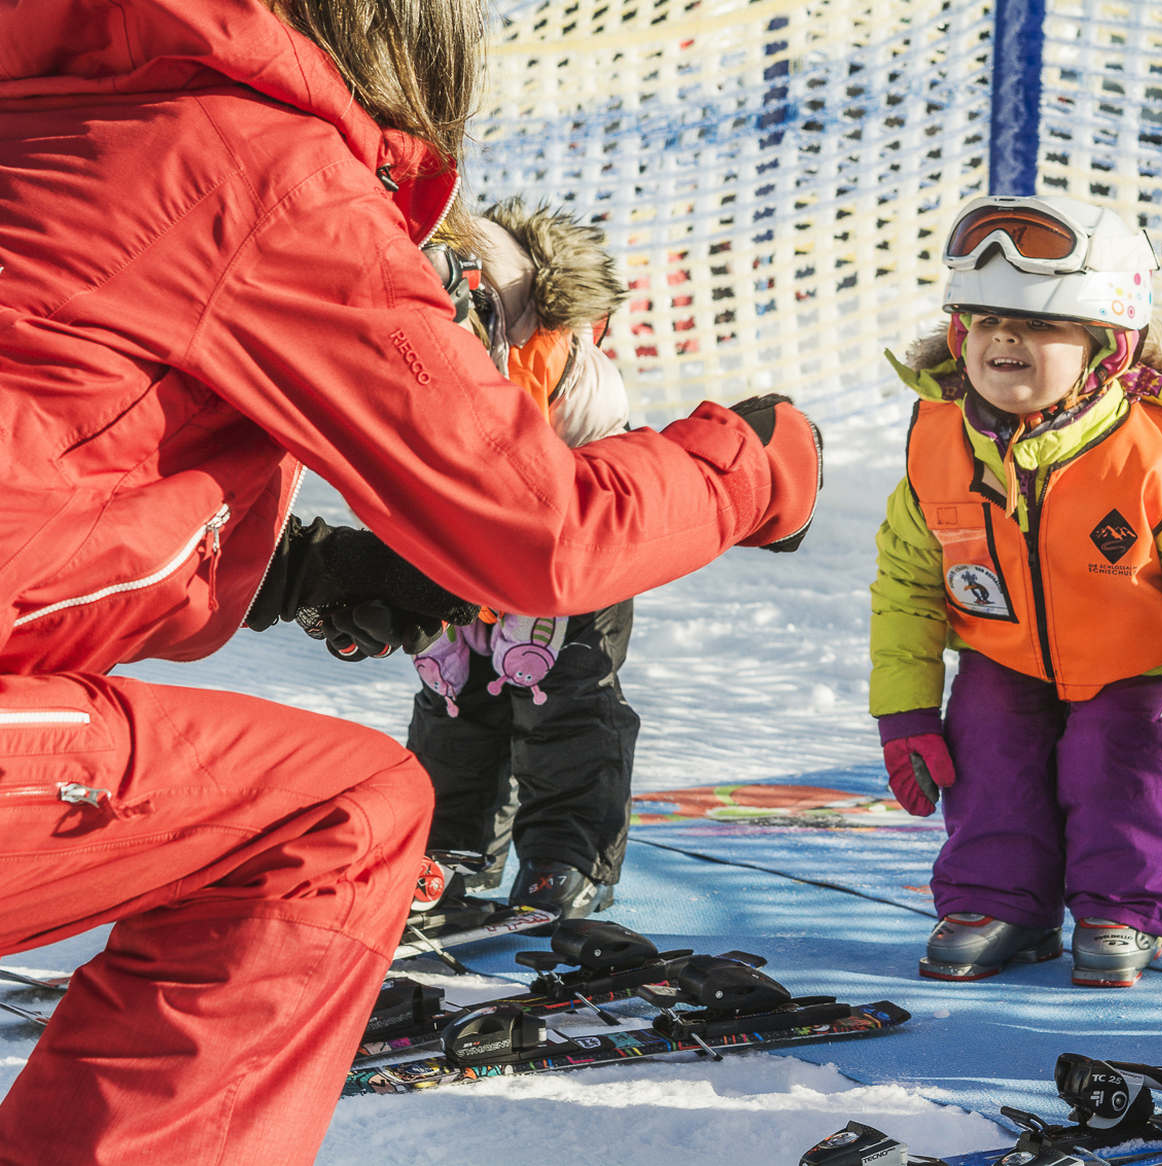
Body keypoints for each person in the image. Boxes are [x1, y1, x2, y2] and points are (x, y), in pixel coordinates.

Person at [0, 2, 822, 1164]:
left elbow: (49, 457)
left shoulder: (45, 115)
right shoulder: (246, 155)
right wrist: (757, 461)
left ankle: (549, 846)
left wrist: (292, 572)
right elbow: (542, 532)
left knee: (532, 716)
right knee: (341, 815)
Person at [870, 194, 1162, 988]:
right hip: (1004, 655)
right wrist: (903, 710)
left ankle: (1124, 905)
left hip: (1132, 666)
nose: (1006, 337)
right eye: (986, 321)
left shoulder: (1157, 459)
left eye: (1039, 323)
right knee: (988, 743)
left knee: (1116, 764)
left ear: (1108, 347)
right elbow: (907, 586)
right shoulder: (938, 442)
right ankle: (999, 901)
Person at [408, 198, 641, 922]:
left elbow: (588, 461)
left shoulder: (548, 355)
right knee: (456, 688)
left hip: (571, 524)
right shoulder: (407, 339)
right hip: (461, 526)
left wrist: (552, 570)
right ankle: (454, 845)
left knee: (562, 690)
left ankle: (566, 852)